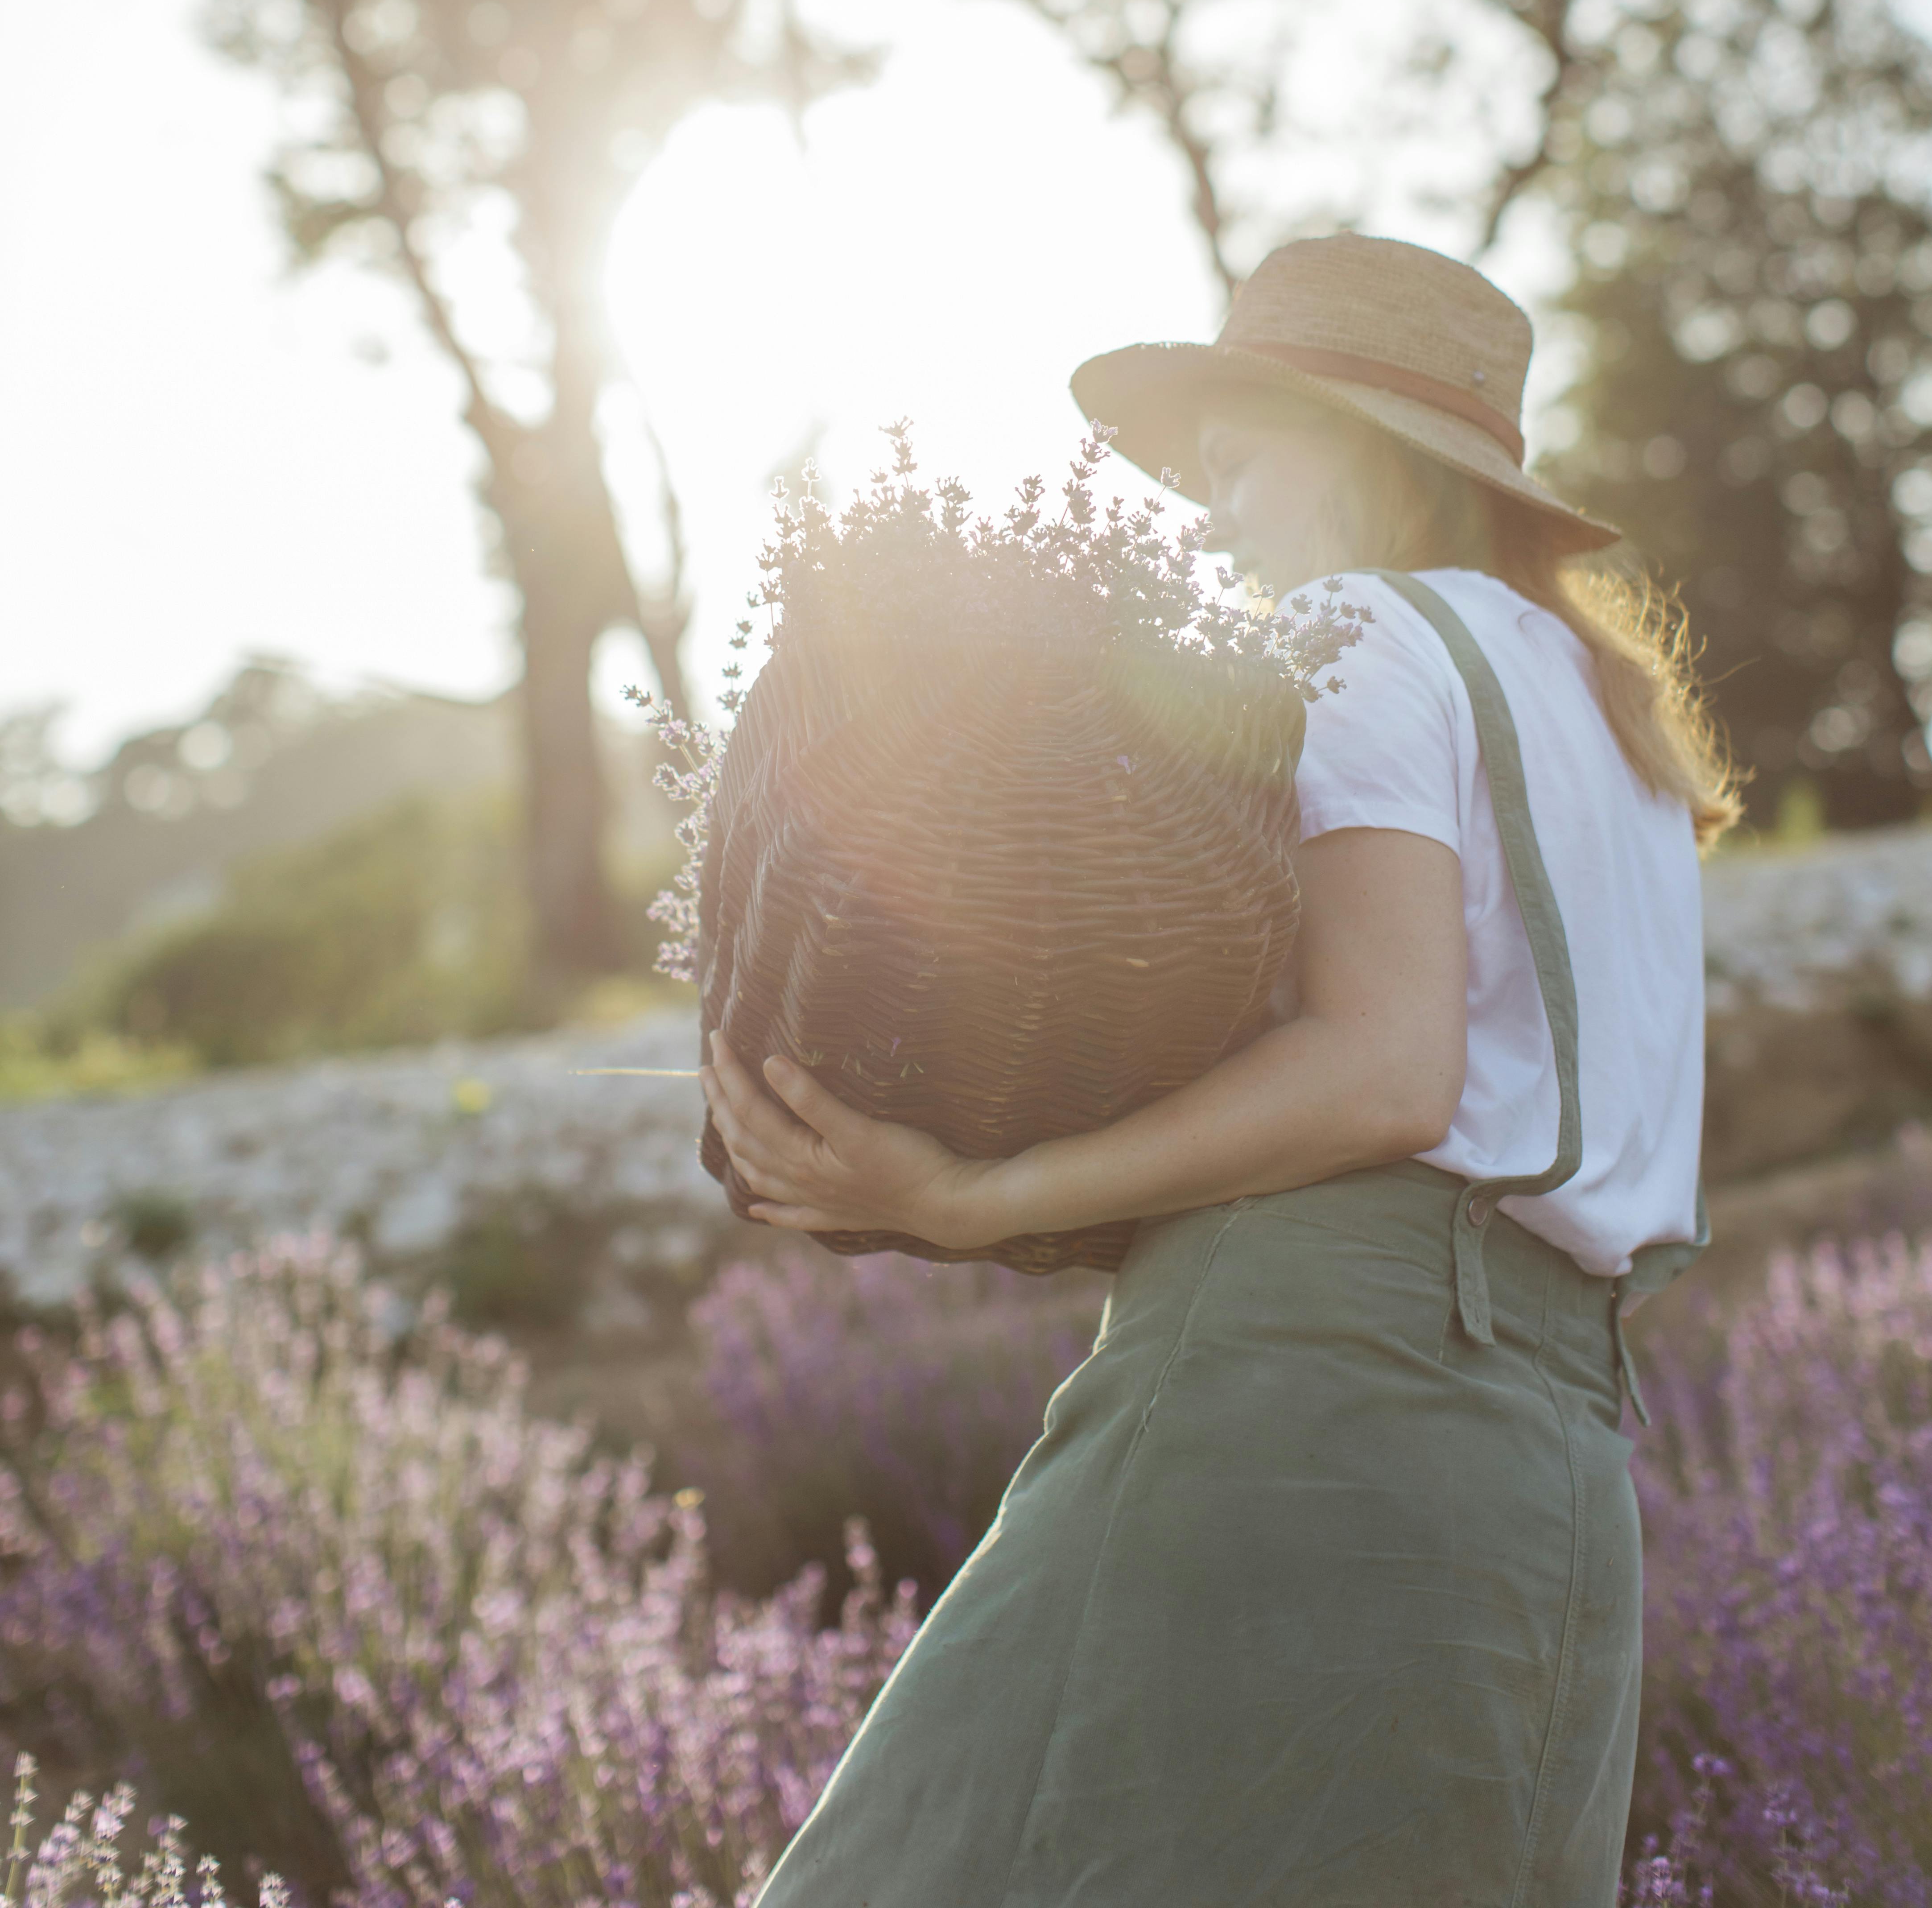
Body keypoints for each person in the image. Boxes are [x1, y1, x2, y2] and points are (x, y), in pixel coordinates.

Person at [702, 232, 1736, 1908]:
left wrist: (978, 1193)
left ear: (1356, 449)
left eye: (1234, 460)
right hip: (1551, 1460)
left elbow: (1384, 1073)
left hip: (1302, 1394)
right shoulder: (1620, 734)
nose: (1208, 512)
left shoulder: (1354, 637)